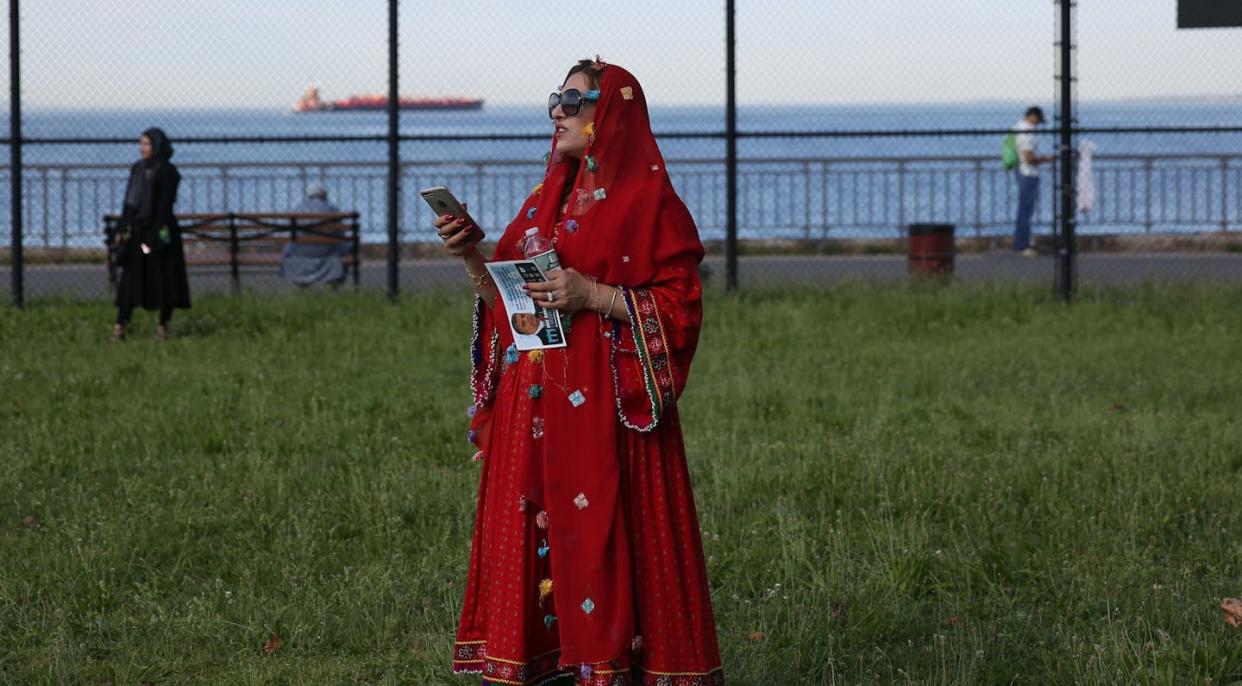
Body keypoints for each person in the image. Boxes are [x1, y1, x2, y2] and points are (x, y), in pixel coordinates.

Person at [435, 58, 723, 685]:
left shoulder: (649, 201)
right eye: (555, 101)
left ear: (612, 111)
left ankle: (614, 665)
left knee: (608, 544)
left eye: (574, 100)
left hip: (605, 411)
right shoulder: (542, 202)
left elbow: (680, 308)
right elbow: (511, 311)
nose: (558, 112)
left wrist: (594, 294)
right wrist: (473, 257)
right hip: (533, 407)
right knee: (535, 549)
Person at [111, 128, 190, 341]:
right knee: (131, 280)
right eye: (141, 144)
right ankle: (120, 325)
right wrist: (122, 229)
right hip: (137, 233)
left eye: (146, 144)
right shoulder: (138, 169)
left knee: (164, 278)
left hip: (158, 235)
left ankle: (163, 326)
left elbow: (164, 207)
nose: (142, 148)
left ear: (157, 146)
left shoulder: (167, 171)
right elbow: (130, 203)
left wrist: (153, 238)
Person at [281, 182, 350, 287]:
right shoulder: (333, 209)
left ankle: (302, 283)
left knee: (289, 246)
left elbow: (291, 233)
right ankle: (335, 283)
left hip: (300, 252)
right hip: (327, 252)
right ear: (324, 195)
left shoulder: (297, 209)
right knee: (347, 246)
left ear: (308, 195)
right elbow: (340, 234)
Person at [1013, 106, 1055, 257]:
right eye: (1038, 121)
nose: (1037, 125)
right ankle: (1022, 244)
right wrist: (1046, 159)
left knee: (1024, 209)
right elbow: (1029, 158)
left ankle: (1021, 242)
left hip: (1021, 171)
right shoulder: (1027, 132)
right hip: (1028, 173)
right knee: (1025, 210)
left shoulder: (1017, 127)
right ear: (1032, 116)